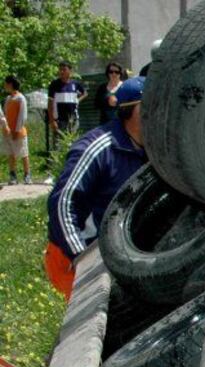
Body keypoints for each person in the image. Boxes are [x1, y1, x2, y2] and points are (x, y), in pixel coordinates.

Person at [45, 77, 147, 300]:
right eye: (149, 106)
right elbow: (61, 204)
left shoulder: (152, 148)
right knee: (94, 320)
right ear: (130, 111)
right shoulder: (97, 148)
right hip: (72, 252)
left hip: (116, 252)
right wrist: (82, 260)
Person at [47, 60, 87, 141]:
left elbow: (85, 93)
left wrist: (78, 100)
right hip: (59, 120)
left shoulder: (75, 83)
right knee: (59, 145)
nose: (61, 72)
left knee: (72, 143)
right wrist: (52, 121)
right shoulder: (54, 84)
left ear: (70, 71)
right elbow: (50, 103)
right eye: (60, 69)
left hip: (73, 119)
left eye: (64, 69)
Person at [3, 75, 30, 185]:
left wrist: (17, 130)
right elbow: (5, 114)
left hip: (19, 131)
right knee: (11, 154)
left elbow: (22, 116)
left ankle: (27, 175)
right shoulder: (8, 99)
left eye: (6, 83)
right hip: (9, 131)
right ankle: (13, 175)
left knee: (24, 153)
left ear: (10, 84)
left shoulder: (20, 98)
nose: (4, 86)